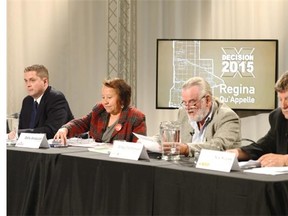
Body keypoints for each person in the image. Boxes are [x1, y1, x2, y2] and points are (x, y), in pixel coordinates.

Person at [164, 76, 241, 157]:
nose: (187, 108)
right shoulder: (183, 112)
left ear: (207, 100)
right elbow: (168, 136)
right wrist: (151, 142)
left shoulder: (227, 117)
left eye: (192, 102)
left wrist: (187, 149)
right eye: (185, 102)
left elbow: (218, 146)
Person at [54, 78, 147, 145]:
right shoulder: (100, 109)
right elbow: (82, 123)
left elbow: (138, 147)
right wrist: (65, 129)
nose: (105, 102)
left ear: (122, 99)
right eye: (103, 97)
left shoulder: (136, 117)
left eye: (109, 98)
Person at [228, 71, 288, 167]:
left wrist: (285, 160)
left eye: (287, 99)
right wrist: (237, 153)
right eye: (280, 99)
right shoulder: (278, 117)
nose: (283, 106)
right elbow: (264, 146)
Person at [8, 64, 74, 140]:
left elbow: (52, 131)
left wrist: (17, 134)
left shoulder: (55, 98)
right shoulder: (27, 101)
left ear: (45, 82)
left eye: (32, 80)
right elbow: (23, 128)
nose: (28, 85)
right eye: (26, 81)